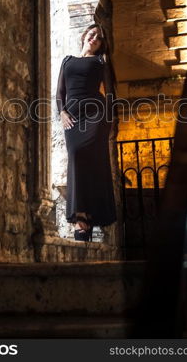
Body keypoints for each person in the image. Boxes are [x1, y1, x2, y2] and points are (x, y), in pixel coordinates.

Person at [55, 23, 117, 241]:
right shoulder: (68, 60)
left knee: (91, 160)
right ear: (85, 36)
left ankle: (83, 219)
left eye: (99, 38)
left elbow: (110, 93)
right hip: (72, 117)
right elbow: (60, 91)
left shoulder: (101, 61)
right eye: (92, 34)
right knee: (76, 156)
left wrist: (108, 121)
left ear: (101, 44)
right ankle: (84, 217)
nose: (94, 38)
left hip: (95, 116)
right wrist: (61, 112)